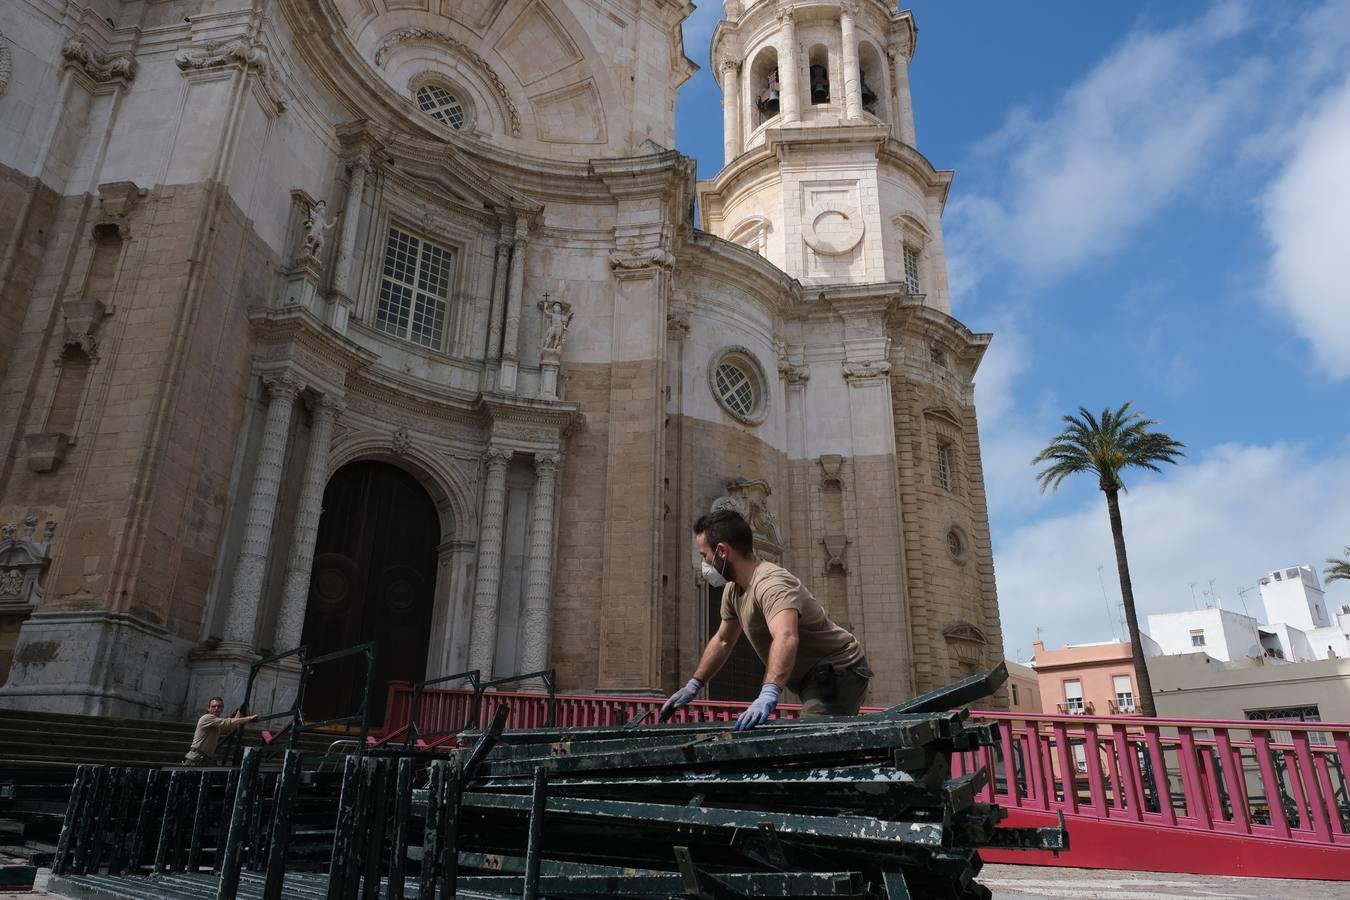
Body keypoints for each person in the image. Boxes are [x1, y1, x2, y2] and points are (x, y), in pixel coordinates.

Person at [661, 509, 872, 731]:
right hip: (814, 675)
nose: (704, 563)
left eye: (705, 555)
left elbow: (786, 635)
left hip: (839, 668)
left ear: (722, 551)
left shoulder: (772, 584)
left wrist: (768, 693)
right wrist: (694, 685)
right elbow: (723, 640)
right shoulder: (733, 590)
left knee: (809, 741)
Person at [182, 697, 258, 766]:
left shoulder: (215, 722)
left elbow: (230, 726)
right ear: (208, 708)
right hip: (196, 759)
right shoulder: (207, 718)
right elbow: (227, 723)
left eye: (219, 706)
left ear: (222, 709)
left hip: (205, 758)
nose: (216, 708)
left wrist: (238, 714)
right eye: (213, 706)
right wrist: (249, 718)